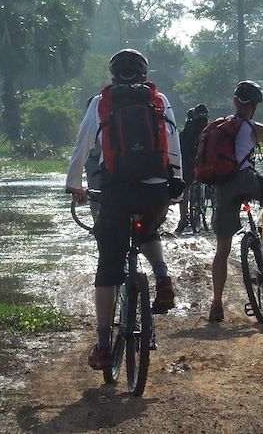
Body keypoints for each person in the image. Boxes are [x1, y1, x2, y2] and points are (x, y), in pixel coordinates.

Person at [66, 48, 182, 370]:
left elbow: (83, 145)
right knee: (150, 227)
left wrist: (74, 183)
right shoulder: (159, 100)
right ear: (145, 74)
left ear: (113, 75)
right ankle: (162, 277)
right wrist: (176, 185)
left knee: (108, 265)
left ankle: (104, 347)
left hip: (116, 190)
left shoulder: (101, 102)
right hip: (156, 190)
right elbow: (173, 144)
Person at [209, 80, 263, 323]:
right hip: (247, 181)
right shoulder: (257, 129)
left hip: (223, 187)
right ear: (256, 105)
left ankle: (217, 304)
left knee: (222, 249)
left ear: (235, 102)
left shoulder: (219, 127)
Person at [175, 104, 209, 234]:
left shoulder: (187, 130)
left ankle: (183, 219)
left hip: (189, 163)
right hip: (207, 164)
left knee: (185, 189)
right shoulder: (210, 129)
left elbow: (180, 149)